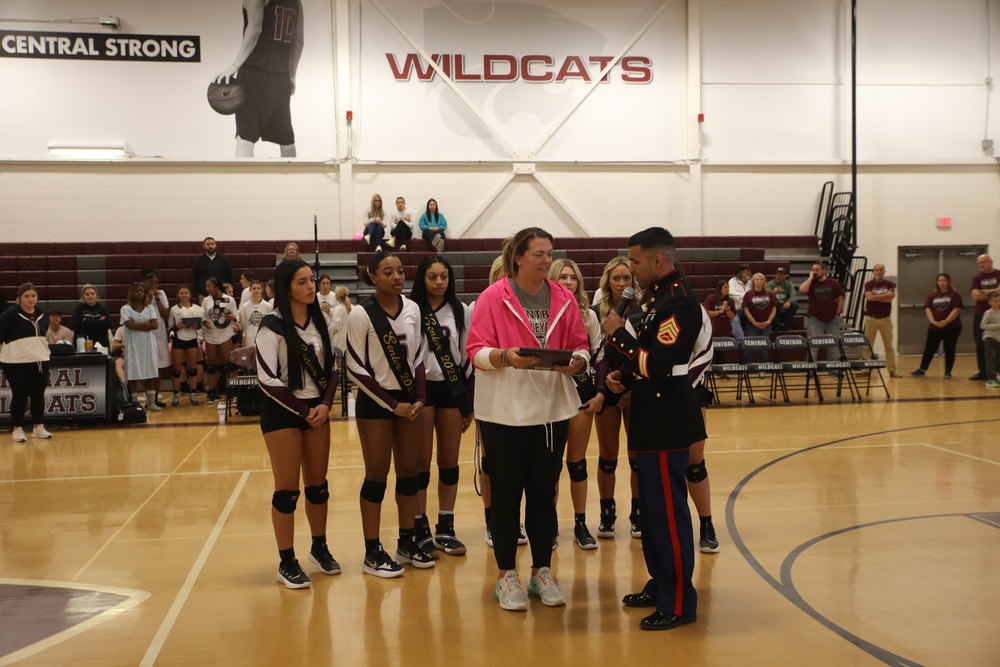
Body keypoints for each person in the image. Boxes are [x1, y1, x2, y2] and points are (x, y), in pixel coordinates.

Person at [466, 227, 590, 611]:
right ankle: (506, 576)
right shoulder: (492, 297)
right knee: (505, 496)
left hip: (551, 411)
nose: (546, 261)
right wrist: (505, 357)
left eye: (549, 254)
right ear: (518, 257)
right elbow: (475, 351)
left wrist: (578, 363)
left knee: (543, 495)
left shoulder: (564, 298)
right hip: (504, 412)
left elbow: (581, 345)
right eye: (538, 254)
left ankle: (541, 572)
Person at [603, 227, 706, 632]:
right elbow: (646, 364)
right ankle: (661, 582)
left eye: (636, 261)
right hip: (649, 417)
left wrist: (620, 337)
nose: (631, 269)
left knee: (668, 514)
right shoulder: (659, 298)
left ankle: (679, 601)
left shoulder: (678, 303)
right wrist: (624, 378)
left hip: (666, 421)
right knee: (651, 512)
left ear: (657, 261)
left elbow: (660, 365)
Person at [346, 251, 433, 577]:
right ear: (372, 276)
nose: (397, 276)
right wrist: (389, 403)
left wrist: (421, 397)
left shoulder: (412, 309)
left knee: (410, 473)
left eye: (400, 270)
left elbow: (419, 355)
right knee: (377, 475)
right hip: (375, 403)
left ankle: (406, 541)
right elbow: (354, 367)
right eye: (388, 272)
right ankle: (372, 551)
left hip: (409, 402)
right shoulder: (360, 314)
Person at [255, 259, 340, 588]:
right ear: (286, 288)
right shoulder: (271, 325)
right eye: (302, 282)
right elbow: (267, 379)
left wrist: (325, 404)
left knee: (318, 487)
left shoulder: (323, 320)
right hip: (283, 413)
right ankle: (286, 560)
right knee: (287, 491)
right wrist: (305, 412)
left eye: (311, 280)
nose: (310, 287)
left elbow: (333, 368)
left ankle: (319, 547)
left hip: (318, 411)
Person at [410, 255, 475, 558]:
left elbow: (468, 356)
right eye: (432, 277)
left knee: (449, 463)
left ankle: (446, 527)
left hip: (451, 389)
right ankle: (419, 526)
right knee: (421, 464)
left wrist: (468, 401)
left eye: (444, 277)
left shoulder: (461, 311)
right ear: (422, 278)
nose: (439, 282)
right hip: (421, 391)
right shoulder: (410, 310)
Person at [550, 258, 602, 550]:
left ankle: (581, 523)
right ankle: (551, 524)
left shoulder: (589, 315)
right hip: (554, 392)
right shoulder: (543, 311)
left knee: (577, 462)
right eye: (563, 276)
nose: (569, 281)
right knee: (552, 464)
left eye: (573, 277)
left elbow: (597, 356)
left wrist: (599, 390)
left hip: (581, 390)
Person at [591, 256, 643, 539]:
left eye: (627, 278)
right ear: (607, 282)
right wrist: (607, 383)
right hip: (607, 388)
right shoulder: (596, 311)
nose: (623, 283)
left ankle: (638, 513)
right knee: (607, 456)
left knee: (637, 457)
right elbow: (597, 354)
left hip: (636, 389)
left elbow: (644, 352)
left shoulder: (644, 311)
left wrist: (630, 384)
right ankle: (606, 513)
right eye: (617, 278)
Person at [213, 0, 304, 158]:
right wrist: (291, 75)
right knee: (287, 140)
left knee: (245, 138)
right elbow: (299, 42)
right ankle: (291, 181)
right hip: (281, 77)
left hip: (253, 74)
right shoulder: (297, 1)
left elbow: (255, 27)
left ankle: (245, 182)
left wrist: (235, 66)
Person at [0, 283, 52, 442]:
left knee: (38, 395)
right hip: (16, 361)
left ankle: (38, 427)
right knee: (20, 395)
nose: (31, 299)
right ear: (19, 298)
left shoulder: (43, 315)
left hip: (40, 359)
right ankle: (17, 429)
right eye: (27, 296)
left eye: (33, 296)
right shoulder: (10, 314)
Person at [911, 273, 963, 379]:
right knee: (929, 348)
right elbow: (928, 308)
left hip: (951, 327)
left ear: (948, 281)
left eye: (944, 280)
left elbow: (957, 309)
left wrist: (946, 321)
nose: (941, 283)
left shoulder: (954, 294)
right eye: (939, 281)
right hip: (934, 327)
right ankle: (922, 369)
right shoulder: (932, 295)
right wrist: (933, 321)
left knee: (949, 348)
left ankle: (948, 371)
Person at [120, 282, 160, 410]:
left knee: (150, 372)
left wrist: (137, 324)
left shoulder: (150, 308)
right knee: (132, 373)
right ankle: (134, 402)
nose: (139, 293)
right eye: (137, 291)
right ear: (132, 292)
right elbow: (129, 326)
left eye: (142, 291)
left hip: (148, 344)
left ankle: (151, 402)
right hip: (133, 344)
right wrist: (147, 323)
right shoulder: (125, 309)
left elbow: (155, 325)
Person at [202, 277, 239, 402]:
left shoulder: (229, 299)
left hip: (225, 335)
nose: (207, 289)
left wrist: (232, 318)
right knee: (211, 365)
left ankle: (232, 391)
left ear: (216, 286)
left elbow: (236, 318)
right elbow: (204, 316)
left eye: (209, 286)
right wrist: (204, 322)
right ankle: (212, 392)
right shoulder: (206, 300)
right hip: (211, 335)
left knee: (228, 364)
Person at [863, 264, 901, 378]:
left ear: (884, 272)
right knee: (867, 345)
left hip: (885, 319)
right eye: (876, 270)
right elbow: (869, 298)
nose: (879, 272)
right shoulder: (868, 284)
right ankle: (866, 369)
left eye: (881, 270)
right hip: (871, 319)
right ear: (873, 272)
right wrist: (885, 295)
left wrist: (877, 297)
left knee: (888, 346)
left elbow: (889, 300)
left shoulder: (889, 284)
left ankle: (892, 370)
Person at [798, 263, 844, 359]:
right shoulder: (811, 283)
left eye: (817, 270)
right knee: (813, 345)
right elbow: (802, 289)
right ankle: (811, 370)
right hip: (815, 318)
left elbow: (840, 298)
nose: (814, 272)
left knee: (833, 345)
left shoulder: (833, 282)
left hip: (832, 318)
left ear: (823, 270)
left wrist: (837, 313)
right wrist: (810, 278)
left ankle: (833, 370)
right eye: (813, 270)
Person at [168, 287, 204, 406]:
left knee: (192, 369)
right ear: (178, 294)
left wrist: (195, 326)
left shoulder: (197, 309)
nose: (184, 295)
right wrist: (179, 327)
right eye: (181, 293)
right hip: (179, 340)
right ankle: (176, 395)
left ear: (190, 294)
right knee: (176, 370)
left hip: (192, 339)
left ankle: (193, 394)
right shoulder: (174, 309)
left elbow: (200, 325)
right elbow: (170, 327)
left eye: (186, 293)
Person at [143, 271, 172, 408]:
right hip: (145, 332)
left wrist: (158, 299)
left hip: (159, 333)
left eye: (156, 284)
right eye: (151, 284)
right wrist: (148, 296)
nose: (154, 286)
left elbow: (165, 314)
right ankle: (148, 396)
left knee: (159, 365)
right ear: (145, 283)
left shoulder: (161, 294)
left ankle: (155, 397)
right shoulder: (140, 293)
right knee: (148, 365)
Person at [969, 254, 1000, 380]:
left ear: (991, 262)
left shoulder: (998, 274)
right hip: (980, 314)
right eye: (978, 263)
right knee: (980, 344)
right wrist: (994, 292)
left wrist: (983, 291)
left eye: (983, 262)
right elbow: (975, 296)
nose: (981, 265)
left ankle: (996, 372)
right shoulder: (977, 278)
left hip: (997, 313)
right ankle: (983, 372)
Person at [742, 272, 776, 367]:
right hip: (752, 325)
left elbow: (774, 309)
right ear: (753, 282)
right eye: (757, 279)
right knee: (749, 346)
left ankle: (762, 368)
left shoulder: (769, 293)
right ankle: (746, 367)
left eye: (761, 279)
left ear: (764, 282)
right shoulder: (748, 294)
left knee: (764, 347)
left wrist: (768, 321)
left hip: (767, 324)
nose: (759, 281)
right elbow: (745, 309)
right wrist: (754, 322)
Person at [72, 284, 111, 349]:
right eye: (87, 294)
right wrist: (98, 322)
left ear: (96, 295)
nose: (90, 296)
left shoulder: (103, 308)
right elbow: (78, 327)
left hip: (102, 344)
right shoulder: (78, 309)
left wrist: (86, 321)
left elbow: (106, 325)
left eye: (92, 293)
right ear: (83, 296)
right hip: (82, 345)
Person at [239, 279, 273, 346]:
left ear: (261, 290)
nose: (256, 290)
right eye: (254, 288)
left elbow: (270, 324)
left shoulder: (268, 306)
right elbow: (243, 326)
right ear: (250, 290)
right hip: (250, 339)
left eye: (258, 288)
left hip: (264, 339)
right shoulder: (245, 307)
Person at [981, 291, 1000, 388]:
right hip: (990, 338)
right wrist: (997, 326)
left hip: (999, 339)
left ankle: (996, 376)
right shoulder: (988, 313)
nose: (998, 303)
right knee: (991, 358)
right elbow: (983, 325)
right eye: (995, 301)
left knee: (998, 358)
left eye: (999, 301)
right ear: (990, 302)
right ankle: (991, 378)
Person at [330, 285, 352, 356]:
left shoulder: (338, 309)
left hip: (340, 342)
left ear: (338, 296)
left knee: (339, 365)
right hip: (351, 341)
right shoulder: (353, 308)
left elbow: (335, 327)